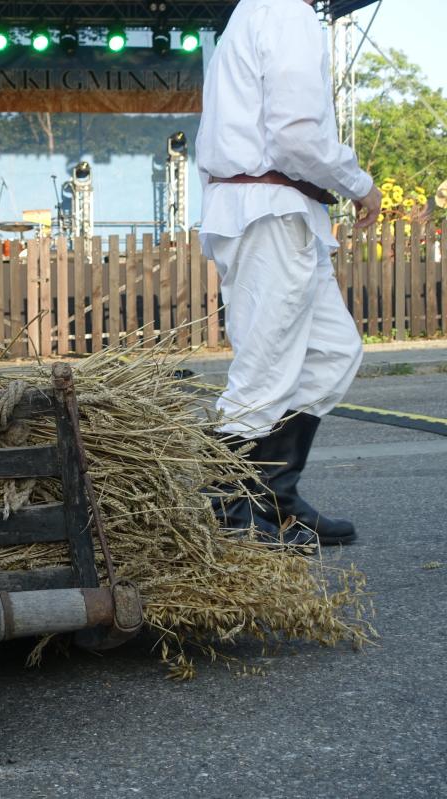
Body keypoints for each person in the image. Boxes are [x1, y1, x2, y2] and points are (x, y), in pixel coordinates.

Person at [195, 0, 382, 547]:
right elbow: (298, 135)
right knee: (265, 369)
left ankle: (273, 499)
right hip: (270, 211)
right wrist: (359, 184)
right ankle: (229, 516)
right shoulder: (285, 12)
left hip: (273, 209)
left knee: (332, 352)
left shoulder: (256, 12)